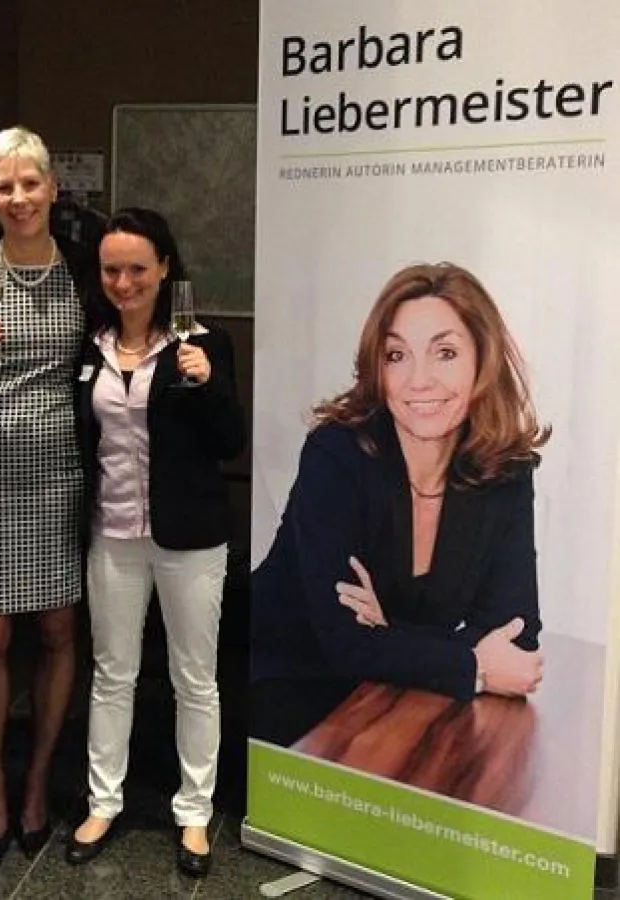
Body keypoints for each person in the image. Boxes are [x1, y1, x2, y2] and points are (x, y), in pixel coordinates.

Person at [251, 262, 549, 748]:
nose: (419, 380)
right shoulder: (337, 455)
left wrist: (388, 631)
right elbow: (344, 643)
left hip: (399, 690)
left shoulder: (504, 472)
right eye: (397, 355)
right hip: (291, 682)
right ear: (378, 368)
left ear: (483, 359)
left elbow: (517, 633)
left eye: (445, 353)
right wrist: (470, 662)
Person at [65, 208, 246, 877]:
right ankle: (102, 803)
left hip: (189, 537)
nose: (124, 282)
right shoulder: (90, 345)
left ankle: (194, 812)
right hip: (111, 533)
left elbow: (230, 442)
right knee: (113, 673)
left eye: (137, 268)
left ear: (165, 267)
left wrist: (207, 383)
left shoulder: (202, 342)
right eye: (112, 269)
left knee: (194, 678)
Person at [0, 126, 95, 863]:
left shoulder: (86, 269)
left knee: (59, 630)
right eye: (5, 186)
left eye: (31, 183)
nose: (20, 197)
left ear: (52, 189)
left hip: (62, 471)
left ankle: (37, 781)